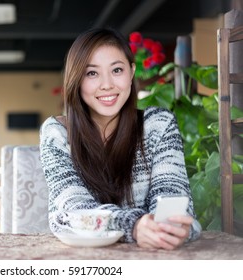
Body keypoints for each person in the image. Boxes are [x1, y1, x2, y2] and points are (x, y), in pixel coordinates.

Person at [39, 27, 202, 250]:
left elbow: (174, 201)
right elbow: (72, 211)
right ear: (76, 79)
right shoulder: (57, 133)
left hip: (152, 259)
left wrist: (169, 229)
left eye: (117, 70)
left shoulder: (159, 124)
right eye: (92, 73)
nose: (107, 84)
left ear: (132, 72)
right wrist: (134, 226)